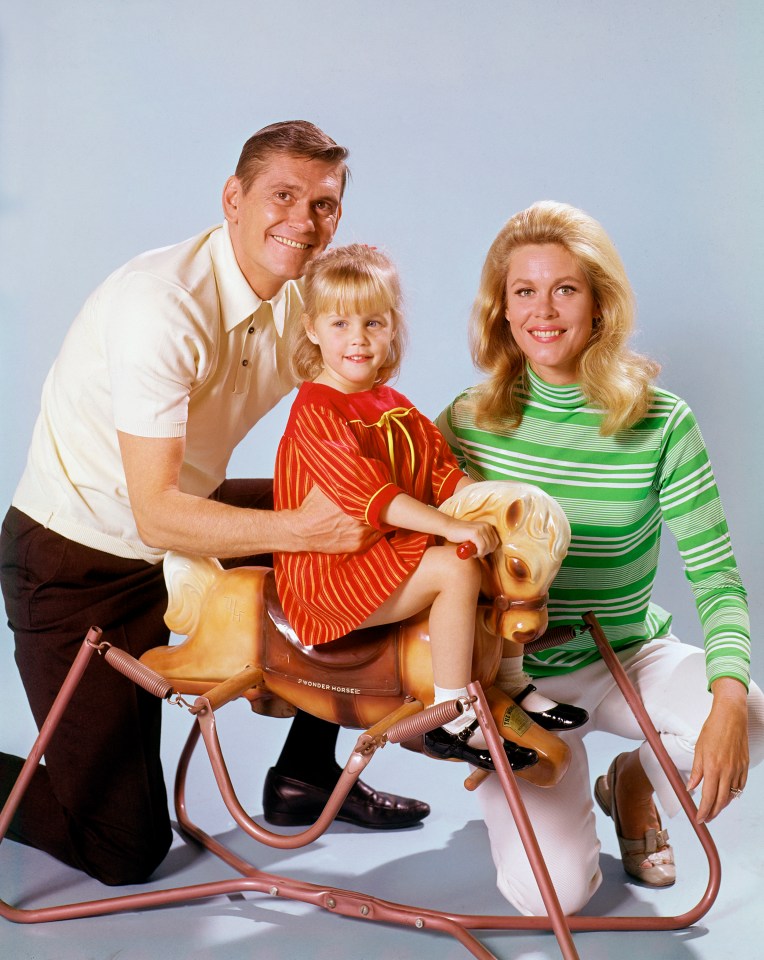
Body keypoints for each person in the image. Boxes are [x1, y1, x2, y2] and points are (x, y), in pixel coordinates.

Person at [0, 121, 429, 888]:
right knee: (126, 848)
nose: (303, 222)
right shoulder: (160, 305)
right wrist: (300, 530)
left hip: (183, 524)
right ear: (234, 199)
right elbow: (155, 514)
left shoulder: (306, 290)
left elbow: (363, 399)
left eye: (324, 205)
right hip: (79, 560)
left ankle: (304, 774)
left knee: (373, 526)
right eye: (283, 196)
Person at [436, 200, 764, 915]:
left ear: (598, 304)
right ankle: (564, 776)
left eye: (565, 289)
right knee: (546, 897)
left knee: (754, 715)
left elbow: (716, 577)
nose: (543, 311)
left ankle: (634, 783)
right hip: (515, 686)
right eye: (524, 291)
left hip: (626, 657)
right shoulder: (467, 422)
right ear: (502, 308)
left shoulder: (660, 420)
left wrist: (732, 694)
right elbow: (428, 566)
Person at [273, 242, 566, 770]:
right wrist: (454, 528)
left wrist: (486, 509)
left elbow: (441, 472)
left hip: (381, 554)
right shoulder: (316, 411)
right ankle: (452, 713)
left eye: (373, 323)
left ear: (391, 328)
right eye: (339, 324)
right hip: (333, 575)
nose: (358, 340)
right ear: (312, 329)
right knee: (456, 568)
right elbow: (374, 499)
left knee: (496, 544)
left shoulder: (393, 405)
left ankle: (511, 680)